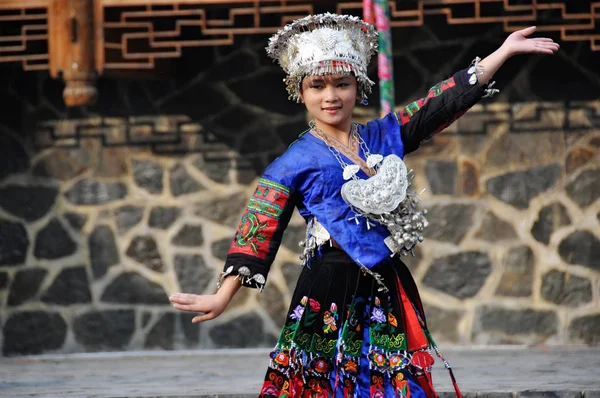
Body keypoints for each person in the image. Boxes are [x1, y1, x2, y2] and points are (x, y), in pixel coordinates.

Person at [170, 13, 559, 398]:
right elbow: (259, 229)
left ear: (359, 87)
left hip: (382, 285)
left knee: (390, 386)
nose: (330, 96)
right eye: (317, 85)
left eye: (342, 84)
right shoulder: (293, 162)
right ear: (300, 92)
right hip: (326, 289)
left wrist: (503, 53)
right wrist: (222, 295)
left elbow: (437, 103)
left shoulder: (383, 135)